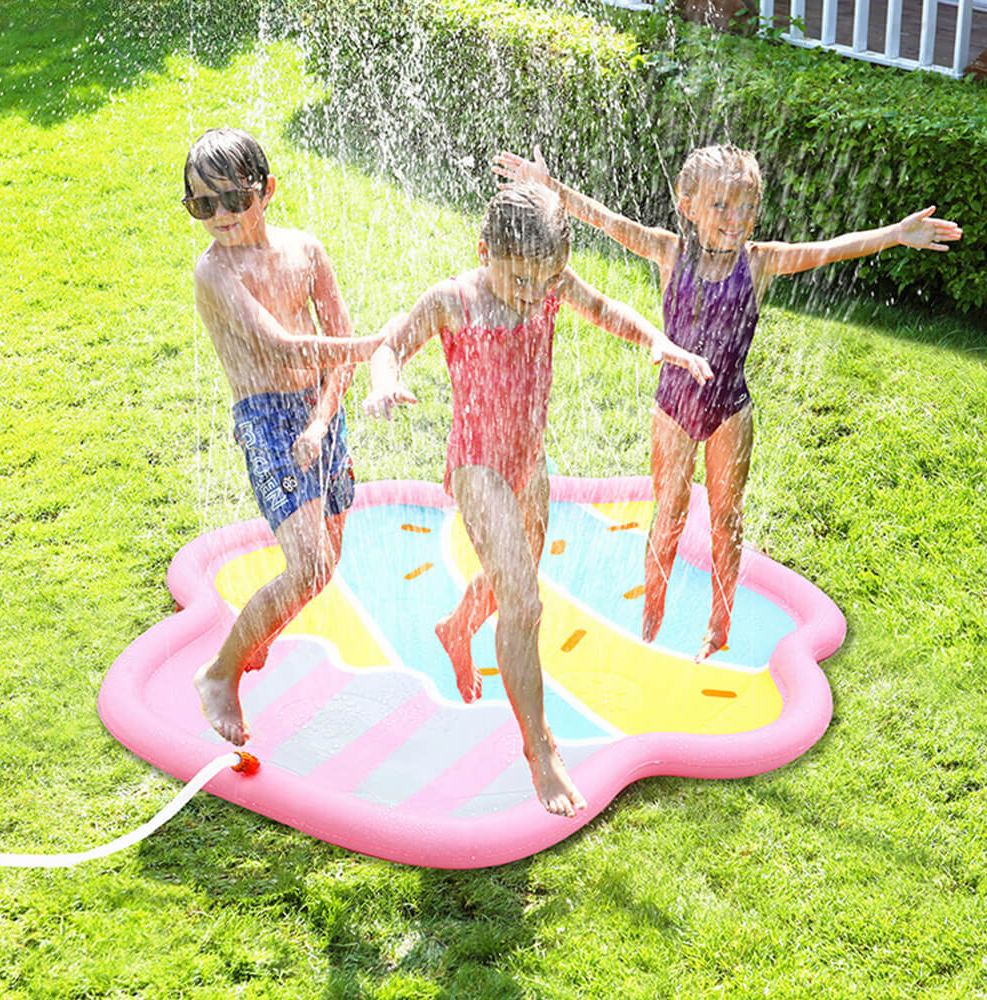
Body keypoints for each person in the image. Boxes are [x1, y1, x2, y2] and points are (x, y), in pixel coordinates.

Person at [494, 145, 963, 662]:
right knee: (668, 513)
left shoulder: (759, 263)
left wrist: (895, 234)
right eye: (722, 206)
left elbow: (831, 248)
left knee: (726, 520)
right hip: (673, 408)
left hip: (730, 411)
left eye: (747, 208)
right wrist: (549, 187)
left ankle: (719, 627)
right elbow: (608, 221)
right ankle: (652, 608)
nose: (736, 220)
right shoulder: (669, 252)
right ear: (688, 204)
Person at [363, 182, 713, 817]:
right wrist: (385, 381)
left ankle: (457, 627)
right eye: (518, 278)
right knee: (524, 602)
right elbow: (390, 345)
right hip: (478, 467)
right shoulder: (454, 300)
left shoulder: (550, 282)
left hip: (530, 464)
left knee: (510, 583)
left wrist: (656, 341)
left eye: (544, 279)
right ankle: (539, 748)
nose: (531, 293)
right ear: (484, 250)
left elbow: (604, 306)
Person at [183, 127, 384, 745]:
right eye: (201, 205)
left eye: (232, 200)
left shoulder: (306, 251)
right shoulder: (214, 274)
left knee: (327, 567)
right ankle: (219, 674)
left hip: (322, 411)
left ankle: (257, 638)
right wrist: (378, 345)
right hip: (267, 421)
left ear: (266, 191)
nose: (219, 216)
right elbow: (280, 342)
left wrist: (325, 418)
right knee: (309, 565)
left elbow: (335, 353)